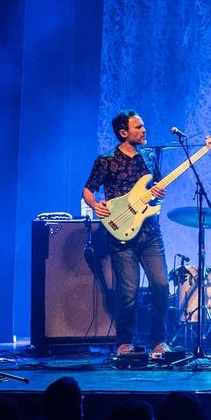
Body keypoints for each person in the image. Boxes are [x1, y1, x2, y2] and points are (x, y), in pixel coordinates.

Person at [83, 109, 171, 360]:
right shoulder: (106, 159)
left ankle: (159, 341)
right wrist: (95, 205)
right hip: (121, 234)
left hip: (150, 231)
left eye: (144, 126)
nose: (144, 131)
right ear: (123, 132)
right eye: (138, 127)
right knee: (128, 292)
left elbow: (156, 187)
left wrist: (158, 192)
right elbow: (88, 189)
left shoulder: (149, 157)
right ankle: (125, 342)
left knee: (161, 286)